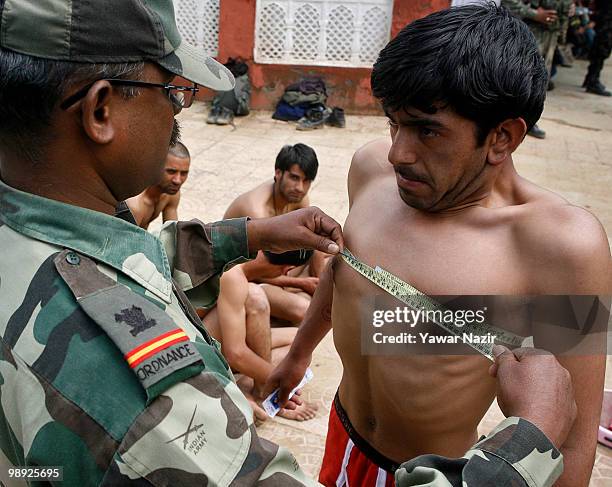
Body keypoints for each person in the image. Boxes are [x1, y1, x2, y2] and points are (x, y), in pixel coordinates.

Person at [0, 0, 344, 484]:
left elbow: (113, 264)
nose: (178, 112)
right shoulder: (142, 395)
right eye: (172, 91)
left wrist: (249, 235)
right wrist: (491, 462)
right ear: (101, 110)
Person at [266, 5, 609, 487]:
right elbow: (347, 275)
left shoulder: (559, 246)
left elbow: (571, 440)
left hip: (436, 475)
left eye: (427, 130)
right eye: (394, 123)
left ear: (502, 138)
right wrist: (298, 355)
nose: (397, 153)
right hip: (343, 440)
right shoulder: (371, 174)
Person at [200, 250, 320, 422]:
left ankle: (248, 382)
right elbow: (235, 354)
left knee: (299, 343)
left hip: (222, 337)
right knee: (255, 297)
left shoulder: (245, 258)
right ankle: (263, 392)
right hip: (199, 348)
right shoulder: (233, 274)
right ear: (286, 269)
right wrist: (279, 380)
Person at [225, 143, 327, 324]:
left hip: (276, 266)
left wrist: (317, 282)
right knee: (305, 310)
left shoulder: (297, 197)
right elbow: (255, 270)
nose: (300, 188)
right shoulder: (257, 211)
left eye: (307, 181)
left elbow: (310, 242)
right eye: (294, 178)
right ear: (278, 173)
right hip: (246, 276)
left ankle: (316, 293)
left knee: (323, 247)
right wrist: (301, 284)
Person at [502, 0, 572, 139]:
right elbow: (509, 2)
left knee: (540, 82)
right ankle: (510, 120)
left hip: (551, 35)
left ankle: (528, 120)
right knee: (521, 79)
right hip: (527, 32)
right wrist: (534, 14)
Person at [127, 141, 191, 228]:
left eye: (183, 173)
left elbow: (172, 234)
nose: (177, 180)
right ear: (155, 167)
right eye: (171, 172)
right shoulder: (135, 206)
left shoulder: (171, 195)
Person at [583, 0, 612, 96]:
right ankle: (592, 81)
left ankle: (590, 79)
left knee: (601, 49)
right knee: (602, 49)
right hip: (606, 19)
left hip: (605, 17)